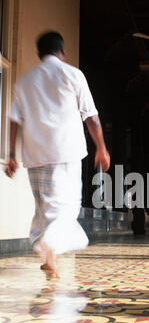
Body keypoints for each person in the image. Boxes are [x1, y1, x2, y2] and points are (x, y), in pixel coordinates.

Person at [5, 31, 110, 277]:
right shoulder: (72, 74)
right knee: (67, 207)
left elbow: (14, 120)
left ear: (39, 53)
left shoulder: (24, 81)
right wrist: (102, 147)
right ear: (62, 52)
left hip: (34, 155)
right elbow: (91, 117)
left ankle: (49, 257)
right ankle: (48, 244)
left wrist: (11, 154)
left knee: (44, 210)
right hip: (66, 152)